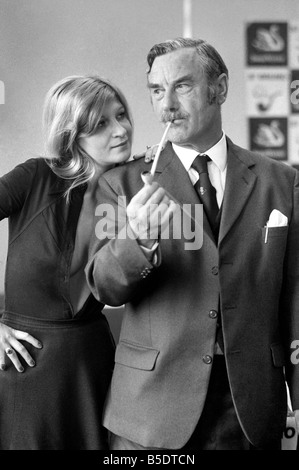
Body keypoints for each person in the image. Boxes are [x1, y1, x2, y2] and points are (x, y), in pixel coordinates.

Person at [85, 38, 299, 451]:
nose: (166, 104)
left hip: (250, 408)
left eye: (182, 86)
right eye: (155, 90)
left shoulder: (281, 181)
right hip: (149, 412)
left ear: (219, 88)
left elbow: (294, 295)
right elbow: (104, 287)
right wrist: (138, 237)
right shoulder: (120, 183)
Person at [0, 74, 134, 450]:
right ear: (73, 134)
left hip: (92, 361)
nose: (121, 129)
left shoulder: (134, 184)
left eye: (121, 115)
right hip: (27, 364)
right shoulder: (35, 176)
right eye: (101, 124)